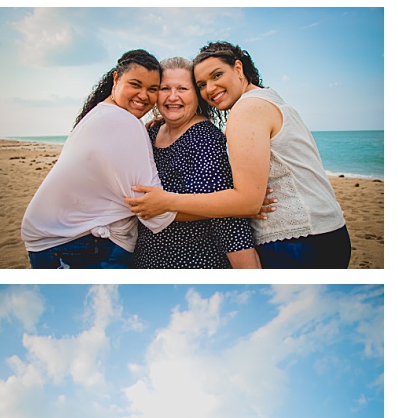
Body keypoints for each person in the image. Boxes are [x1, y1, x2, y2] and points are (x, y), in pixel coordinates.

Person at [126, 41, 351, 268]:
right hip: (325, 230)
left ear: (239, 69)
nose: (211, 88)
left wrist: (166, 202)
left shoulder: (246, 110)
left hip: (297, 240)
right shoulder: (268, 99)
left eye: (217, 75)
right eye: (203, 84)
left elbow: (245, 203)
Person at [21, 50, 177, 268]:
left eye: (152, 89)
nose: (144, 95)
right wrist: (228, 207)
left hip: (56, 242)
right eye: (135, 84)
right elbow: (150, 209)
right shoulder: (124, 122)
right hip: (80, 245)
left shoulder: (100, 113)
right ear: (116, 79)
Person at [133, 57, 258, 268]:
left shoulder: (205, 138)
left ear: (197, 96)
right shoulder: (151, 132)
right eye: (165, 89)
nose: (173, 97)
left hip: (194, 261)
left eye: (182, 88)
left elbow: (227, 218)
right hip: (147, 258)